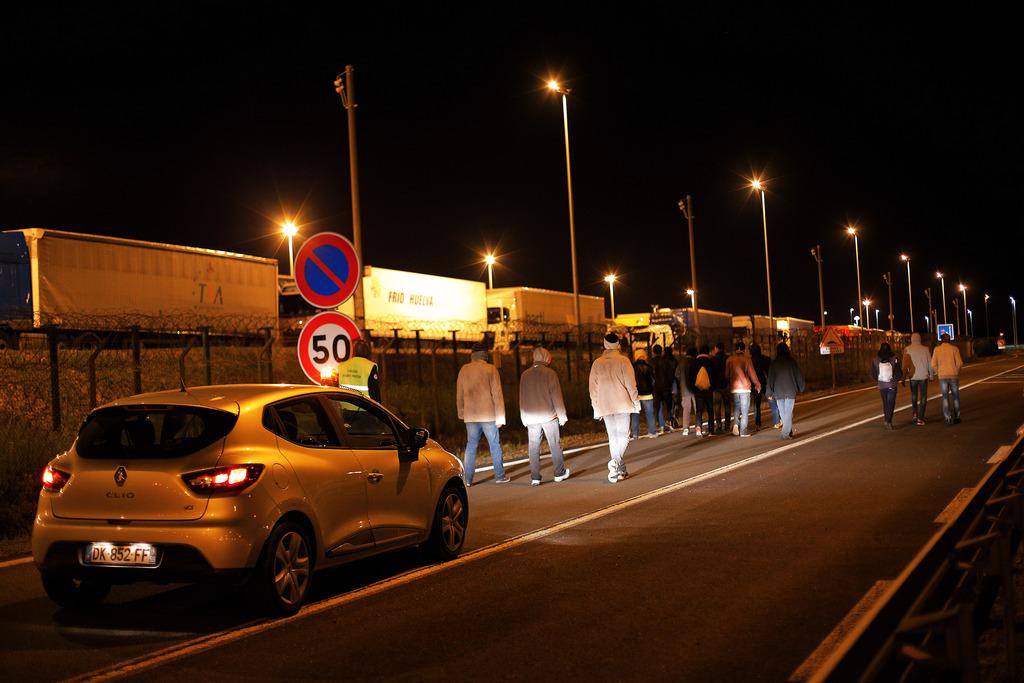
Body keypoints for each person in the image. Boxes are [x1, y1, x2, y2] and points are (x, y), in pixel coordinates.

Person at [589, 333, 640, 483]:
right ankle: (615, 463)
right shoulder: (624, 361)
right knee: (624, 436)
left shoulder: (597, 363)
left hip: (605, 405)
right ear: (618, 345)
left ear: (605, 345)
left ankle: (620, 470)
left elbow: (593, 389)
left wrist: (595, 407)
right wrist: (636, 403)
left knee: (613, 437)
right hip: (622, 403)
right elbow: (631, 385)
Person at [456, 342, 508, 485]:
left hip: (471, 415)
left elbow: (459, 395)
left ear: (472, 355)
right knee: (494, 444)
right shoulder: (491, 369)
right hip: (489, 415)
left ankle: (468, 479)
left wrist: (461, 413)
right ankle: (500, 476)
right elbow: (497, 395)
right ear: (485, 354)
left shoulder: (464, 370)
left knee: (471, 445)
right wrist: (500, 417)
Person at [519, 347, 570, 486]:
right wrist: (562, 415)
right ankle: (559, 473)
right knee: (554, 444)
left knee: (533, 447)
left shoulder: (525, 375)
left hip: (530, 417)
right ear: (546, 358)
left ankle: (535, 477)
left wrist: (523, 416)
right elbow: (556, 396)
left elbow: (522, 397)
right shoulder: (550, 373)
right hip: (548, 415)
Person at [767, 342, 805, 440]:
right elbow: (798, 375)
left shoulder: (774, 363)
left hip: (778, 391)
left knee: (783, 413)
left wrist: (769, 392)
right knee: (788, 412)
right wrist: (801, 387)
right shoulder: (791, 361)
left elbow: (770, 378)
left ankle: (786, 433)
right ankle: (786, 433)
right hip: (790, 390)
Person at [725, 341, 761, 437]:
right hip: (745, 388)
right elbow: (752, 374)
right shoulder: (747, 360)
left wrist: (730, 383)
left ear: (735, 349)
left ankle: (736, 424)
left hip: (734, 388)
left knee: (737, 407)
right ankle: (743, 431)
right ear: (744, 350)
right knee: (745, 410)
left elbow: (726, 375)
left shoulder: (729, 360)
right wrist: (757, 384)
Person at [931, 333, 964, 425]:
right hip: (953, 376)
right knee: (956, 397)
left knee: (945, 397)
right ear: (949, 340)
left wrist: (938, 372)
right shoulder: (954, 349)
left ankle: (947, 417)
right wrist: (956, 372)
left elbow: (933, 364)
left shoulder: (937, 349)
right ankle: (957, 416)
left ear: (941, 340)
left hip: (943, 377)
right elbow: (960, 363)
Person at [902, 332, 934, 425]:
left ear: (911, 339)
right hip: (923, 376)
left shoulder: (907, 349)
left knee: (914, 396)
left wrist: (903, 378)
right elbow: (930, 364)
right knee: (923, 397)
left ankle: (915, 415)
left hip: (913, 377)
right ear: (920, 339)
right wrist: (931, 376)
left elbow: (905, 365)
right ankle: (920, 418)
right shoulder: (925, 349)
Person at [871, 342, 903, 430]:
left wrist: (879, 379)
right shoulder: (894, 358)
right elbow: (899, 372)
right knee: (891, 404)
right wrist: (896, 379)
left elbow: (872, 374)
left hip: (882, 385)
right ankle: (888, 421)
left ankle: (886, 420)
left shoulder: (875, 360)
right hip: (892, 385)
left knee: (885, 404)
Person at [688, 344, 718, 438]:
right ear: (708, 352)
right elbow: (714, 377)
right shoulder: (711, 362)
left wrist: (693, 389)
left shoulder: (694, 363)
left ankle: (698, 429)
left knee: (699, 410)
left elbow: (690, 377)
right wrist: (712, 388)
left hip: (698, 391)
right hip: (709, 390)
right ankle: (711, 430)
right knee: (710, 410)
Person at [631, 348, 658, 439]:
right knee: (650, 414)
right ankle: (652, 432)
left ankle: (635, 434)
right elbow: (653, 381)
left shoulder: (632, 367)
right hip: (648, 394)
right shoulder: (649, 367)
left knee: (635, 414)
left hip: (636, 394)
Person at [749, 343, 777, 430]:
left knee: (757, 404)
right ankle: (777, 420)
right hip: (765, 383)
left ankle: (758, 423)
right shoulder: (766, 359)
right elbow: (770, 372)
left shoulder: (750, 361)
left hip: (755, 384)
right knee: (771, 401)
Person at [650, 344, 677, 434]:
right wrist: (669, 385)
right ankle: (669, 423)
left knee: (658, 407)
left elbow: (651, 376)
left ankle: (660, 425)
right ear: (661, 351)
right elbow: (670, 374)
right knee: (668, 406)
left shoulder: (651, 362)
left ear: (653, 352)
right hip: (666, 387)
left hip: (656, 388)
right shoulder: (666, 361)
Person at [675, 347, 697, 435]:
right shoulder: (695, 362)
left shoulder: (681, 363)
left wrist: (681, 382)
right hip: (695, 389)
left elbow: (676, 374)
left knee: (686, 409)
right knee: (697, 408)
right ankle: (698, 426)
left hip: (684, 389)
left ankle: (685, 428)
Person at [711, 343, 730, 433]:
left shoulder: (713, 359)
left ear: (716, 348)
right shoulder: (728, 358)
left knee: (717, 406)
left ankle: (718, 425)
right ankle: (727, 425)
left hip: (716, 386)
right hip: (727, 385)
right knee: (727, 406)